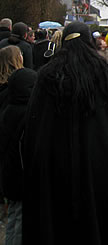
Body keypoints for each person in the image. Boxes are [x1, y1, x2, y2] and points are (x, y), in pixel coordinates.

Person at [22, 22, 108, 244]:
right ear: (90, 42)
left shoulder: (47, 77)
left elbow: (35, 133)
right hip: (104, 174)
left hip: (59, 177)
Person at [0, 67, 37, 245]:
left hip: (9, 176)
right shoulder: (27, 114)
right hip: (21, 177)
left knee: (13, 218)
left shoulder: (8, 110)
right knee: (19, 220)